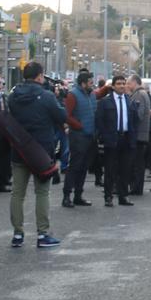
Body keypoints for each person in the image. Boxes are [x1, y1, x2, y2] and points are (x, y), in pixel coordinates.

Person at [6, 62, 67, 248]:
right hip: (41, 151)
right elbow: (61, 117)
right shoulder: (47, 96)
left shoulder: (13, 96)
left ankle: (17, 234)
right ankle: (42, 234)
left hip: (19, 149)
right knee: (42, 192)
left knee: (17, 193)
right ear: (40, 76)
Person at [95, 75, 138, 207]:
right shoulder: (105, 102)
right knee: (110, 170)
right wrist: (104, 136)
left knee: (125, 170)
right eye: (118, 84)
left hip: (126, 138)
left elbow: (134, 120)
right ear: (113, 86)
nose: (121, 86)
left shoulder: (129, 100)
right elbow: (99, 121)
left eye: (123, 83)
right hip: (112, 139)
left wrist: (132, 137)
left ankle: (123, 196)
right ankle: (108, 197)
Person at [61, 72, 98, 207]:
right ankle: (66, 196)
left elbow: (96, 102)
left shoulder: (91, 95)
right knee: (75, 166)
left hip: (90, 136)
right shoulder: (73, 95)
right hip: (78, 136)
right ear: (83, 83)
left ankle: (78, 195)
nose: (92, 84)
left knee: (84, 167)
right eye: (90, 82)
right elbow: (67, 115)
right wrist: (79, 125)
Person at [126, 75, 151, 195]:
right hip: (141, 134)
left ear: (134, 82)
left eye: (128, 83)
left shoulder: (139, 95)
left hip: (138, 134)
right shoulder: (142, 93)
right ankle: (135, 186)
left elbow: (138, 114)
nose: (126, 86)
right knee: (137, 162)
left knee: (136, 163)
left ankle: (136, 187)